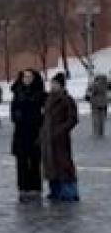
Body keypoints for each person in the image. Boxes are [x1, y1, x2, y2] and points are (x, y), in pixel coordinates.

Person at [41, 73, 80, 202]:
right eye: (52, 83)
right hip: (48, 139)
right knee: (51, 165)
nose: (52, 86)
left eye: (55, 84)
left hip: (60, 140)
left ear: (61, 85)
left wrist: (60, 130)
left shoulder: (67, 100)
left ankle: (70, 192)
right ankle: (55, 191)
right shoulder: (48, 99)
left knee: (64, 165)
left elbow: (73, 119)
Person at [10, 70, 45, 202]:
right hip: (20, 133)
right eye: (25, 76)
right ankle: (23, 188)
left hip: (36, 132)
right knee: (22, 162)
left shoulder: (40, 94)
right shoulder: (17, 93)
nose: (27, 79)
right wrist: (18, 116)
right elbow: (13, 113)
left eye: (30, 76)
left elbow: (44, 113)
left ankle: (35, 188)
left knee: (35, 161)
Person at [86, 73, 108, 139]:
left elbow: (89, 93)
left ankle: (96, 132)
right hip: (103, 104)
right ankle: (101, 132)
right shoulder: (106, 84)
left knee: (95, 118)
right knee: (102, 119)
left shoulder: (94, 85)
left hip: (95, 104)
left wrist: (88, 97)